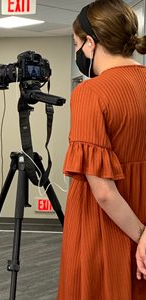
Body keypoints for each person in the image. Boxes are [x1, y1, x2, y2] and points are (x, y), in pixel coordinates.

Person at [58, 0, 146, 298]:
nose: (78, 52)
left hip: (105, 226)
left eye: (77, 43)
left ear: (91, 43)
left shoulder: (90, 93)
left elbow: (105, 192)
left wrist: (142, 235)